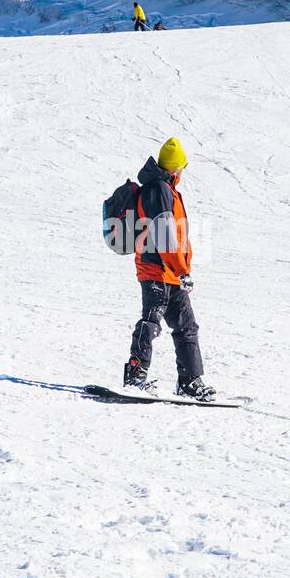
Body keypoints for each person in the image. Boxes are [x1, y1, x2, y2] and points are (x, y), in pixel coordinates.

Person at [124, 137, 216, 401]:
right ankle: (135, 374)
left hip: (171, 272)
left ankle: (190, 381)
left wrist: (181, 269)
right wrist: (181, 268)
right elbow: (163, 234)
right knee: (151, 320)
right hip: (155, 268)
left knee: (187, 326)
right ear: (176, 168)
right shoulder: (158, 190)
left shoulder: (167, 189)